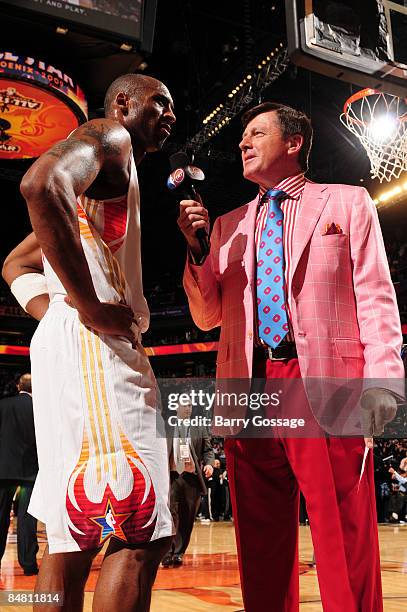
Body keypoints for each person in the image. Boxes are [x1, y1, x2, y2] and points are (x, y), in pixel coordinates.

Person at [178, 101, 405, 611]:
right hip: (248, 384)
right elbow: (207, 317)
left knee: (343, 536)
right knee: (259, 543)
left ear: (294, 142)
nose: (243, 142)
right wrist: (197, 253)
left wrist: (383, 382)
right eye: (242, 137)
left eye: (257, 133)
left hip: (321, 379)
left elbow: (374, 295)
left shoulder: (347, 204)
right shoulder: (227, 226)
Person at [2, 73, 176, 612]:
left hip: (63, 349)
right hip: (97, 353)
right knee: (138, 530)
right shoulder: (110, 136)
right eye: (160, 103)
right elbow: (40, 183)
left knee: (66, 536)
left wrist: (55, 308)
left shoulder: (104, 183)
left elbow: (15, 262)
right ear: (123, 102)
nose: (169, 115)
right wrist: (91, 305)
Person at [162, 399, 214, 567]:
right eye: (184, 405)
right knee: (170, 515)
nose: (188, 408)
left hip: (191, 478)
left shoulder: (200, 427)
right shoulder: (166, 427)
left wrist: (209, 464)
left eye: (190, 405)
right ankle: (167, 552)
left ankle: (178, 553)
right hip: (172, 477)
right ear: (176, 407)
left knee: (187, 517)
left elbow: (208, 450)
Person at [0, 373, 39, 576]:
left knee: (0, 517)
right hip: (30, 474)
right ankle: (29, 564)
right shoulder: (41, 409)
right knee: (26, 519)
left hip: (3, 472)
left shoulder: (3, 405)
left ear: (18, 386)